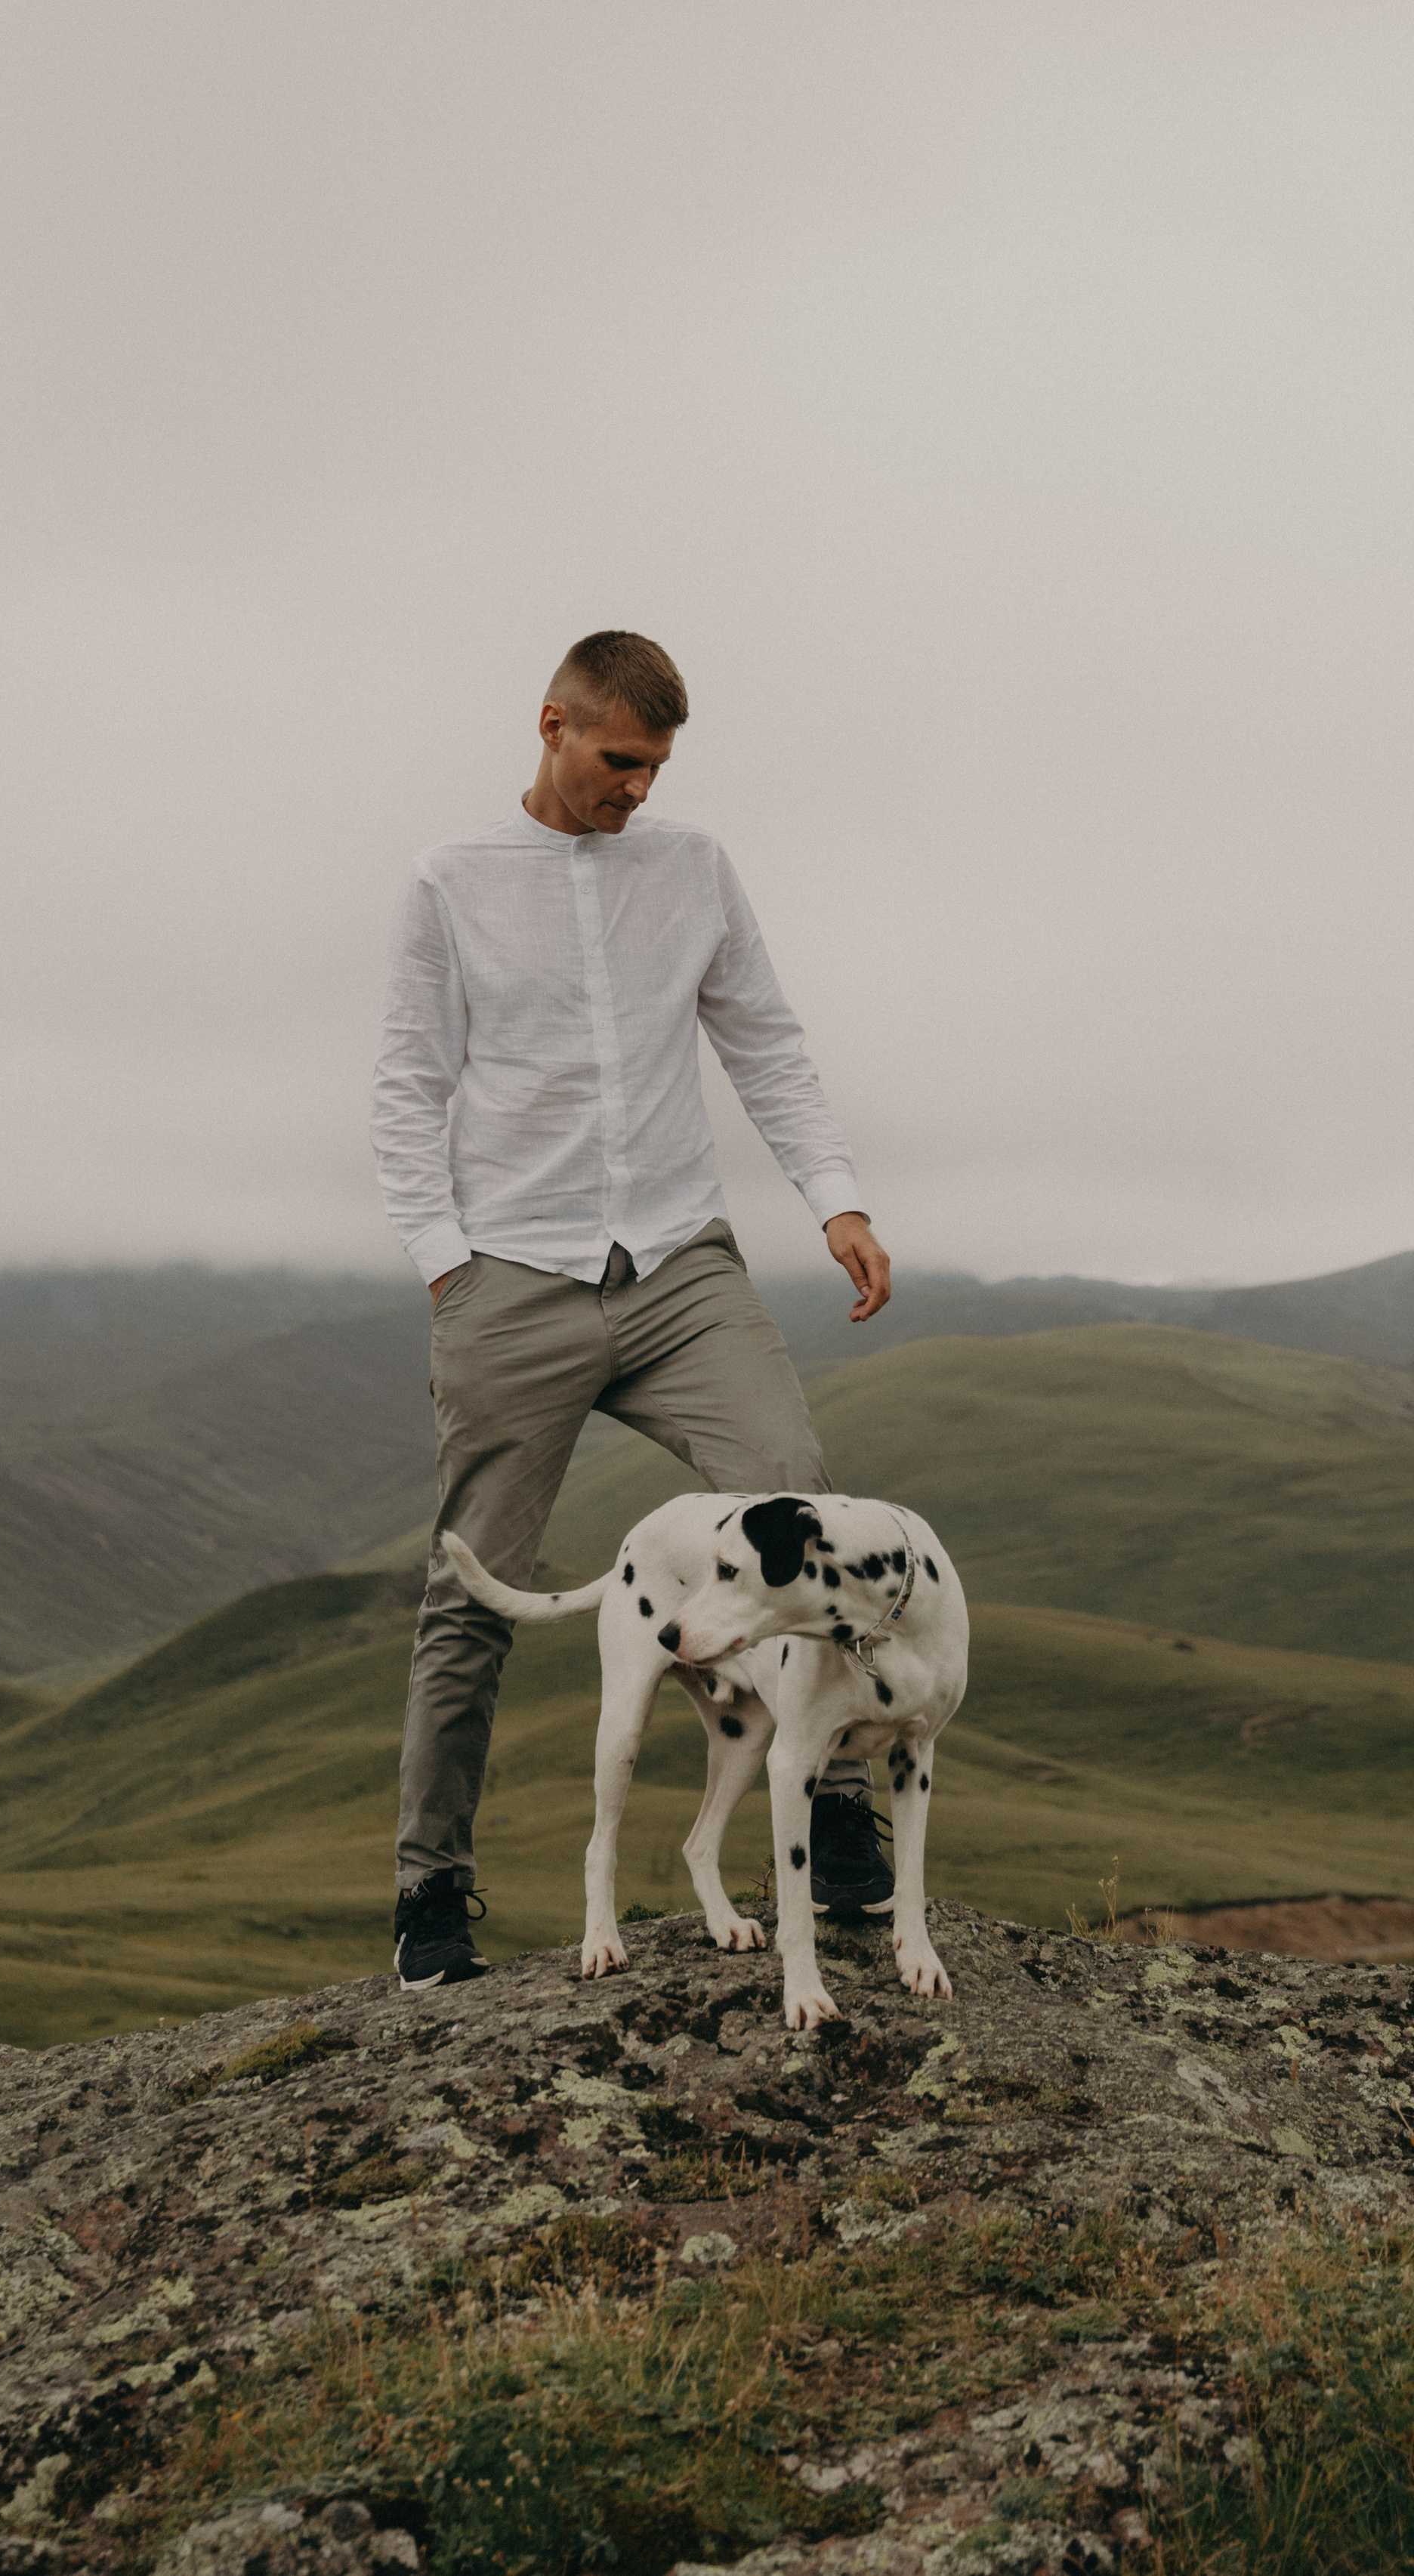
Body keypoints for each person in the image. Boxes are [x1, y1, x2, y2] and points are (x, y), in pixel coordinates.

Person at [369, 631, 894, 1991]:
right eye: (619, 761)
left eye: (657, 767)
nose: (640, 789)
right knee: (472, 1586)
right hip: (512, 1278)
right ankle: (432, 1895)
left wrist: (833, 1195)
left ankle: (837, 1804)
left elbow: (764, 1036)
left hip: (677, 1267)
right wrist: (448, 1263)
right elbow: (406, 1084)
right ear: (552, 726)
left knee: (798, 1492)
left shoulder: (695, 869)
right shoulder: (451, 882)